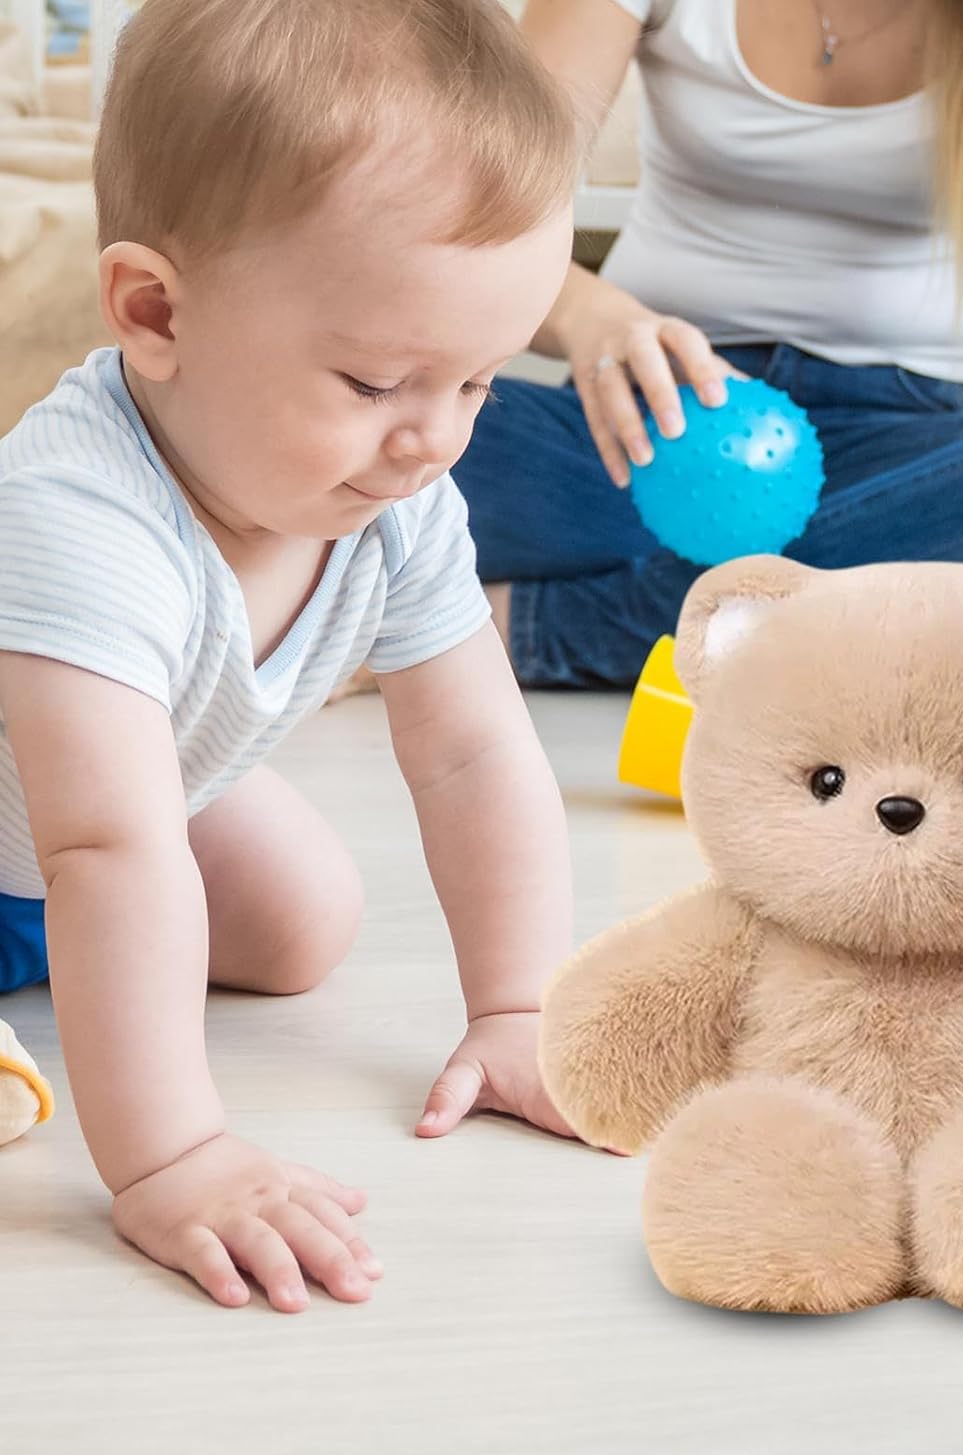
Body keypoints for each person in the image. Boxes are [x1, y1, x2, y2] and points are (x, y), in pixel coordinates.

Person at [0, 0, 579, 1312]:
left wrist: (521, 1008)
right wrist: (173, 1156)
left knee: (304, 919)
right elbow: (107, 849)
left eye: (478, 382)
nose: (435, 439)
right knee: (126, 877)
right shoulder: (76, 516)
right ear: (155, 311)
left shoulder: (397, 497)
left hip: (89, 823)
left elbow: (475, 753)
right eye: (376, 383)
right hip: (67, 830)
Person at [454, 0, 963, 689]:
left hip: (923, 464)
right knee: (393, 430)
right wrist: (591, 315)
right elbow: (485, 216)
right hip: (653, 429)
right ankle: (861, 612)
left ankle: (539, 629)